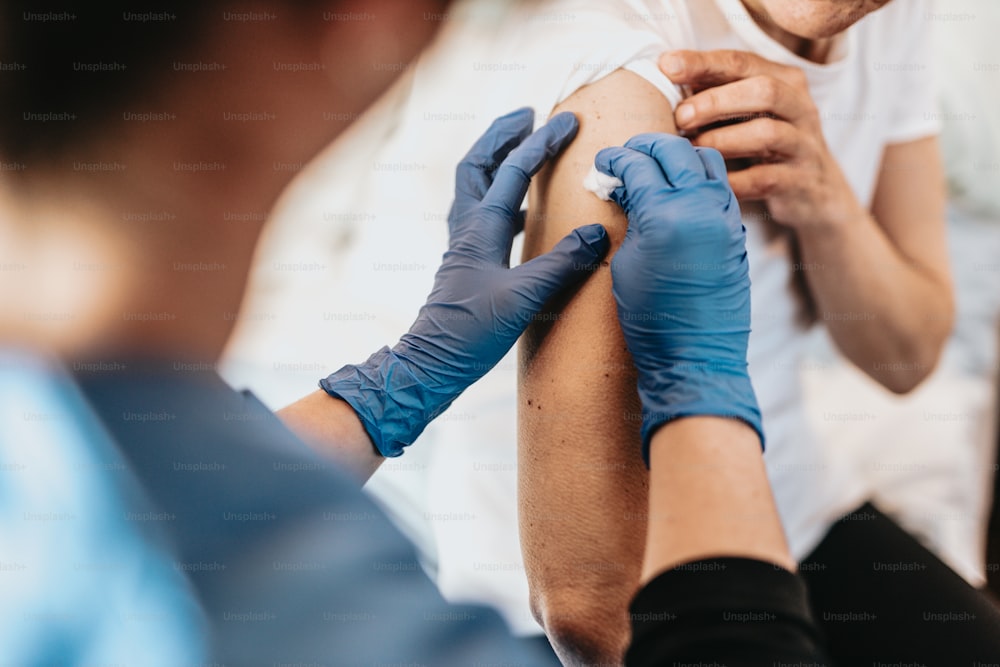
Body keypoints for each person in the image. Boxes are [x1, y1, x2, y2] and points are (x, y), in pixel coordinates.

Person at [0, 2, 839, 664]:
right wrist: (704, 391)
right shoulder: (334, 618)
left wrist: (392, 386)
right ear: (366, 21)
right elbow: (600, 618)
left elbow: (142, 479)